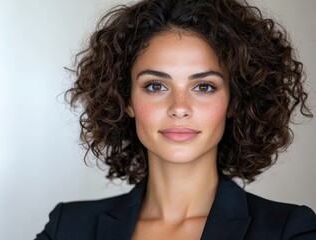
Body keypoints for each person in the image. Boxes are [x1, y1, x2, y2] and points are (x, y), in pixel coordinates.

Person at [36, 0, 316, 239]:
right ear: (127, 100)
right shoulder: (67, 228)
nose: (179, 108)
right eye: (156, 86)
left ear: (234, 101)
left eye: (204, 86)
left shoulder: (288, 230)